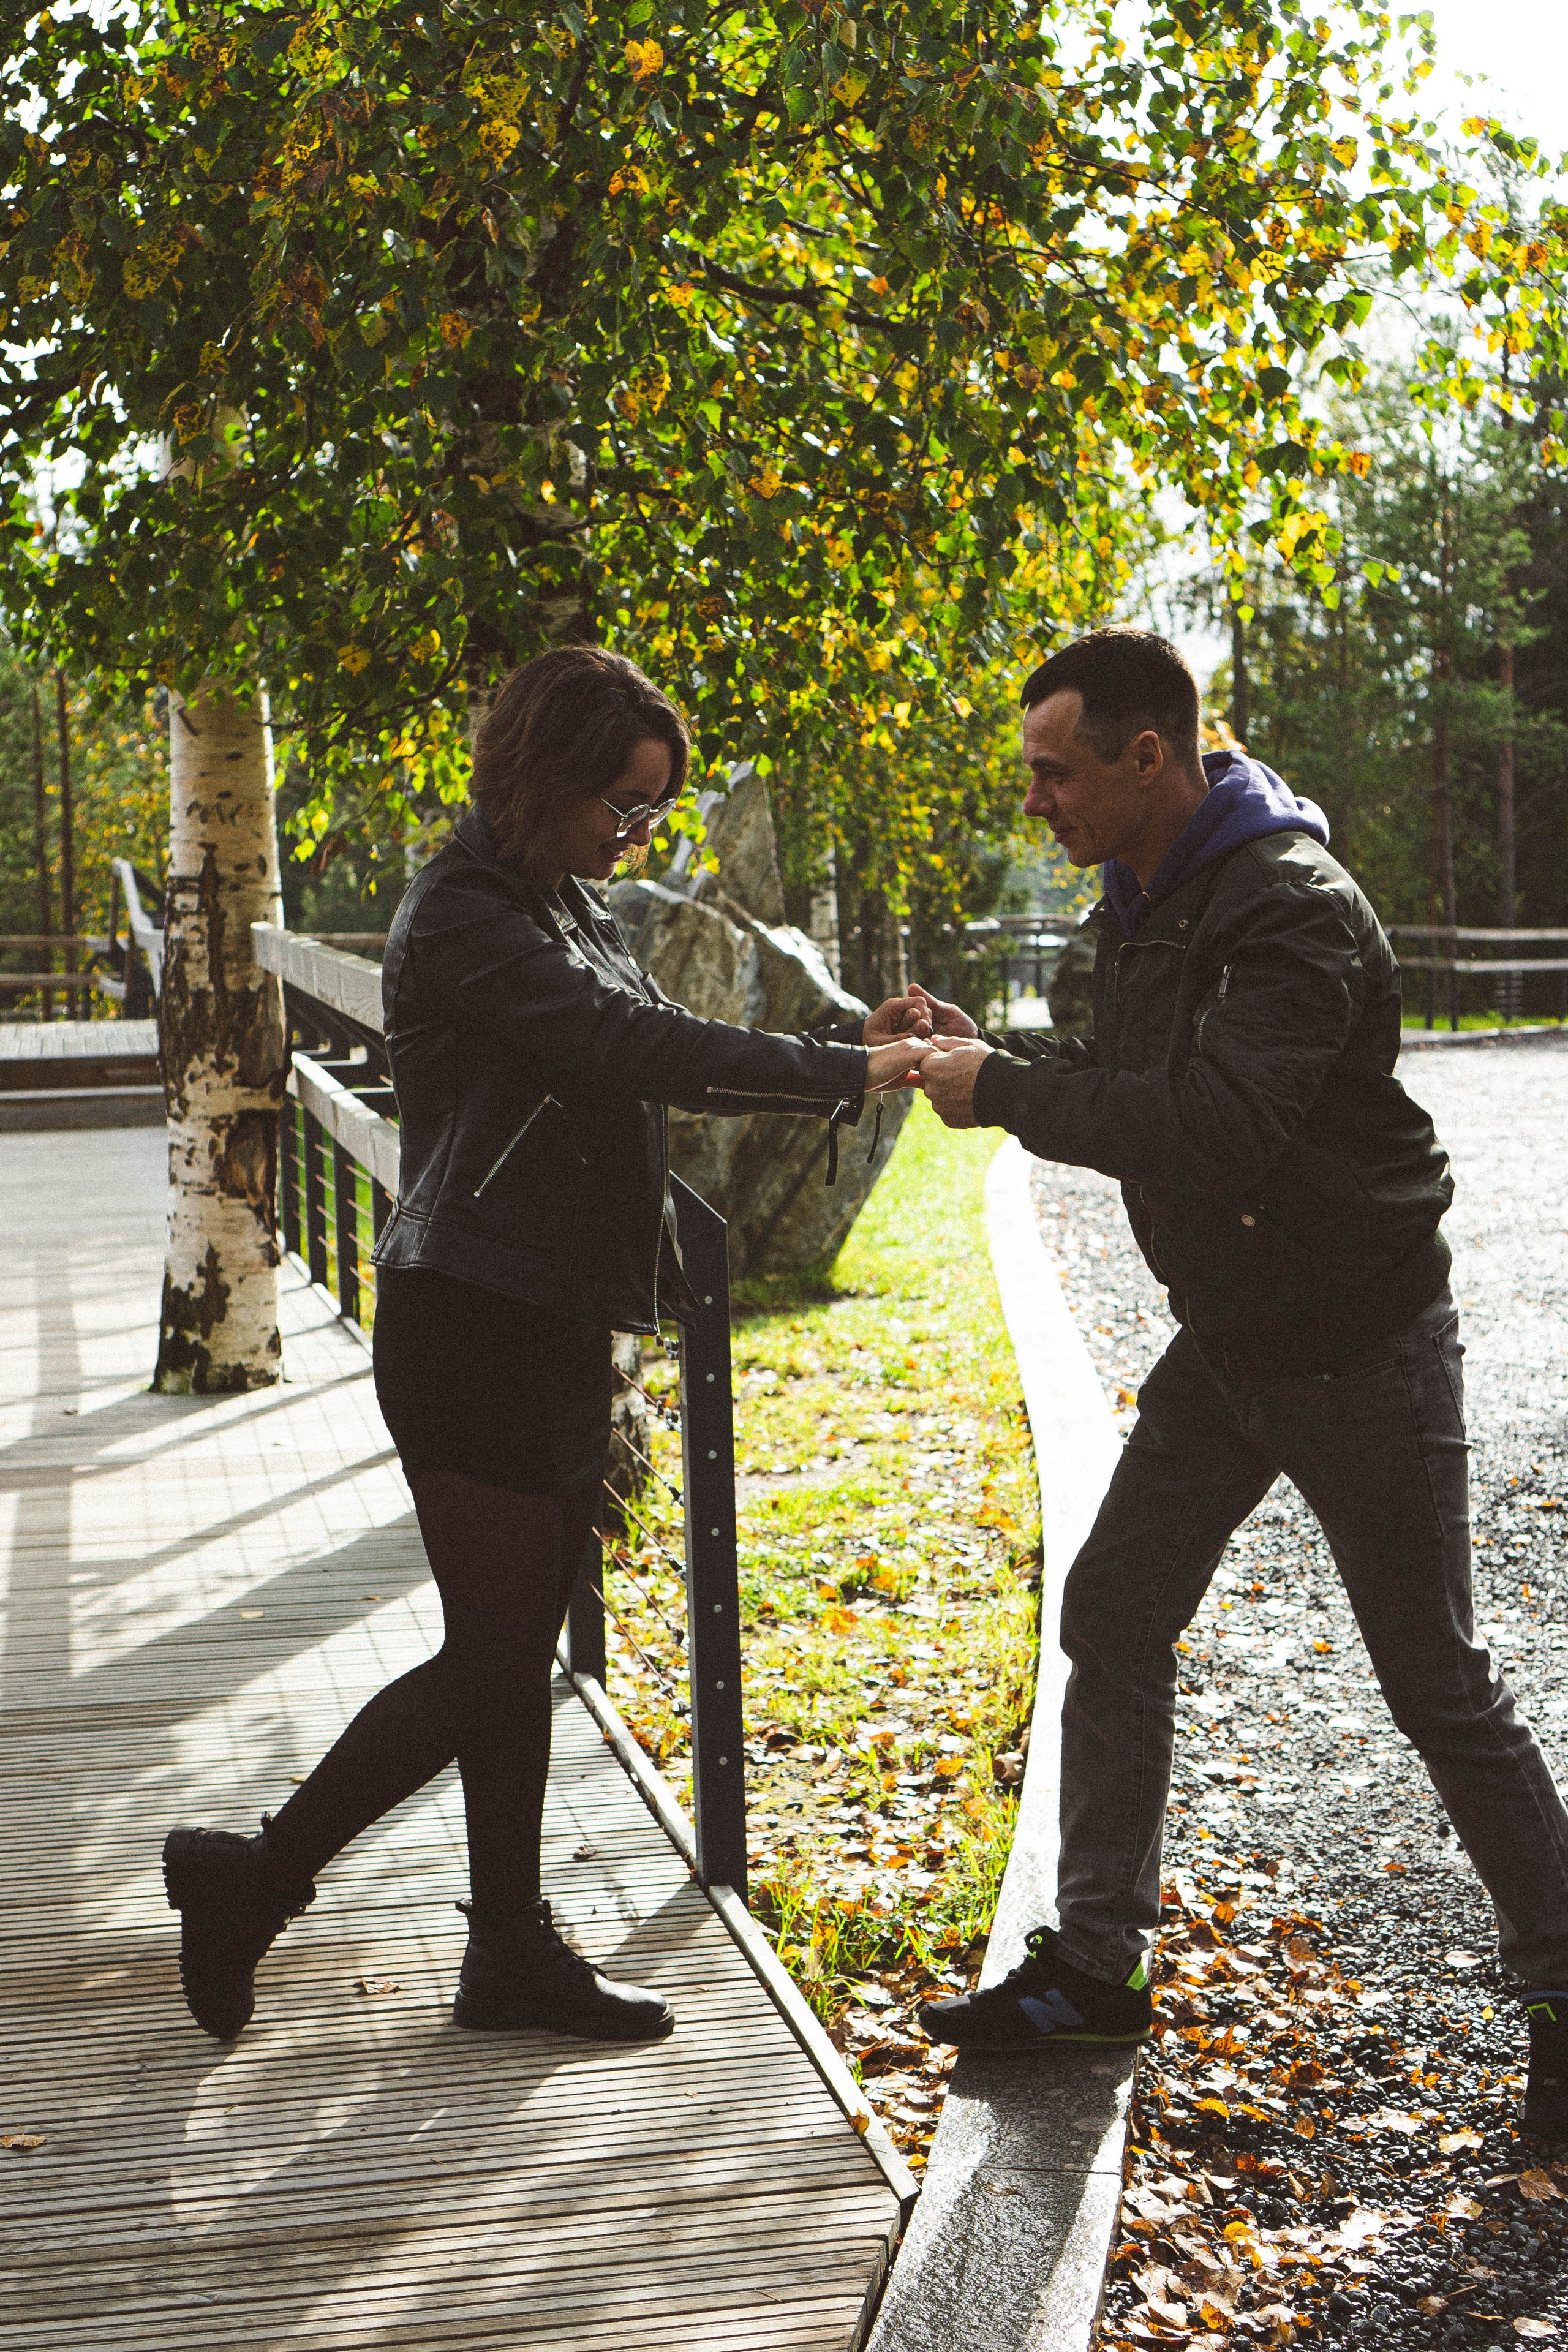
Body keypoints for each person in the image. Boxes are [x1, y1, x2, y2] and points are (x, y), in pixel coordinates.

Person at [162, 646, 934, 2046]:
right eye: (620, 806)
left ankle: (503, 1950)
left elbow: (656, 1024)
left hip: (557, 1318)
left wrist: (835, 1033)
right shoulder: (460, 913)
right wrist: (844, 1072)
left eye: (649, 813)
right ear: (545, 773)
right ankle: (257, 1879)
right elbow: (620, 1044)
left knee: (506, 1652)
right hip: (474, 1322)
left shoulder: (559, 900)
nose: (632, 836)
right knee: (494, 1658)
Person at [911, 627, 1568, 2139]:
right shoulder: (1144, 899)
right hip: (1229, 1343)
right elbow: (1110, 1065)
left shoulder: (1288, 905)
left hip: (1357, 1347)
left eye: (1054, 773)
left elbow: (1216, 1127)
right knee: (1114, 1611)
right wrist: (982, 1048)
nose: (1038, 803)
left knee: (1435, 1686)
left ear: (1150, 758)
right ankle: (1089, 1967)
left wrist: (1004, 1097)